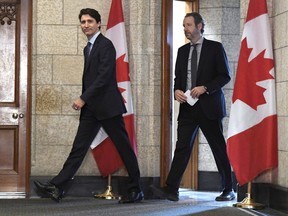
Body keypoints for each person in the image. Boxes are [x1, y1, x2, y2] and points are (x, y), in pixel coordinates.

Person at [34, 8, 144, 204]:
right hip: (92, 109)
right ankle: (57, 187)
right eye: (83, 22)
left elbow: (103, 78)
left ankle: (136, 190)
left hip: (108, 107)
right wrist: (87, 101)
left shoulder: (106, 45)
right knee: (78, 148)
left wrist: (83, 98)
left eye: (90, 21)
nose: (86, 25)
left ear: (99, 24)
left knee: (124, 148)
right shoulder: (88, 47)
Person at [150, 12, 235, 201]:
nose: (185, 29)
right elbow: (178, 80)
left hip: (209, 106)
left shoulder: (215, 48)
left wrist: (205, 88)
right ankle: (171, 189)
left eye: (188, 25)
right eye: (184, 26)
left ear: (199, 26)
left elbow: (224, 76)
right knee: (182, 147)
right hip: (188, 107)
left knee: (217, 147)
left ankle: (228, 189)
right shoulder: (181, 51)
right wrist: (176, 91)